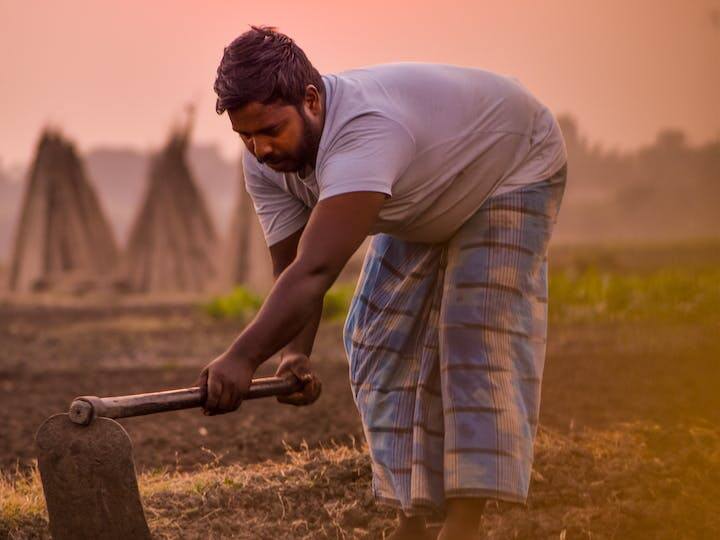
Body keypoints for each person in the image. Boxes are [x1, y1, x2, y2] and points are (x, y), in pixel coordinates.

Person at [200, 25, 567, 540]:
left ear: (310, 100)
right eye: (245, 135)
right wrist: (292, 355)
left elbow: (317, 270)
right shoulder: (265, 160)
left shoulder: (364, 133)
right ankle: (411, 520)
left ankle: (464, 526)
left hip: (511, 163)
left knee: (472, 338)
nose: (259, 148)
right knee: (373, 334)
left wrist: (241, 358)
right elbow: (292, 266)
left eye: (270, 130)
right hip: (427, 189)